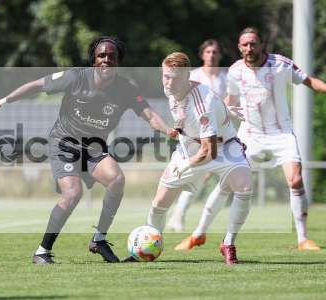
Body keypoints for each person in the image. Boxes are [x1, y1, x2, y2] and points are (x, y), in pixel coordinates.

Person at [0, 36, 176, 264]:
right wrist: (1, 102)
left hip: (94, 148)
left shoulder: (126, 88)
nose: (106, 60)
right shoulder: (75, 77)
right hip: (64, 143)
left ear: (118, 61)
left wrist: (169, 129)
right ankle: (42, 251)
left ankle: (98, 239)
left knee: (117, 180)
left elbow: (149, 114)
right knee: (73, 193)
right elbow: (37, 85)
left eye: (112, 56)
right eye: (102, 56)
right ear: (94, 60)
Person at [124, 52, 252, 264]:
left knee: (245, 188)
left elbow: (208, 151)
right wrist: (224, 110)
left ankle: (228, 243)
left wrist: (184, 166)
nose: (168, 82)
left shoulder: (202, 103)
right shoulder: (170, 89)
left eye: (173, 77)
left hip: (224, 149)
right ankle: (146, 247)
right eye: (165, 76)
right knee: (159, 203)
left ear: (186, 76)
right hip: (188, 148)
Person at [225, 27, 326, 251]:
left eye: (253, 43)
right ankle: (208, 235)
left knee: (296, 180)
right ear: (239, 47)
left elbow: (309, 81)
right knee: (230, 182)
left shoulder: (281, 64)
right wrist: (228, 110)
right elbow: (229, 100)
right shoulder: (235, 71)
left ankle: (303, 239)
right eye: (245, 44)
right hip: (250, 133)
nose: (249, 48)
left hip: (281, 133)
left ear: (261, 44)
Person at [167, 39, 228, 232]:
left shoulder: (226, 78)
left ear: (220, 55)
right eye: (208, 51)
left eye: (215, 52)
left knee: (202, 175)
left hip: (218, 133)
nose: (212, 55)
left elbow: (227, 104)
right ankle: (178, 215)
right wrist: (178, 125)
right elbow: (179, 103)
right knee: (197, 174)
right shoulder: (193, 76)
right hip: (194, 134)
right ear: (202, 55)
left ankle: (179, 214)